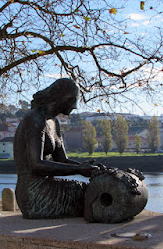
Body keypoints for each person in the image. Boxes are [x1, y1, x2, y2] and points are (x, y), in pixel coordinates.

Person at [14, 78, 100, 219]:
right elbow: (36, 165)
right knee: (95, 197)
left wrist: (87, 169)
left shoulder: (54, 122)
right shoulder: (35, 120)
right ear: (62, 98)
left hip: (48, 185)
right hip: (33, 194)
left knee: (96, 191)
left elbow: (62, 160)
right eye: (73, 100)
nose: (75, 106)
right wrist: (79, 170)